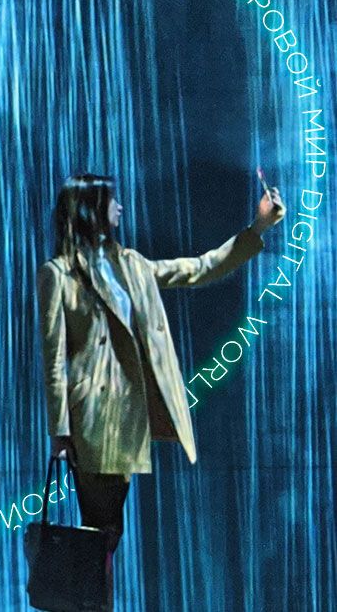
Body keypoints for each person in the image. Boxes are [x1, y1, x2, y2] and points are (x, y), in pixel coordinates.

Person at [38, 174, 286, 559]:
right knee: (102, 528)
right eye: (112, 200)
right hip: (93, 419)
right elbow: (54, 359)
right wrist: (59, 431)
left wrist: (257, 228)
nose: (120, 207)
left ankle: (93, 588)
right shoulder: (58, 274)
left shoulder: (132, 265)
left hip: (128, 416)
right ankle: (86, 589)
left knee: (107, 531)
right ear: (91, 208)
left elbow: (200, 268)